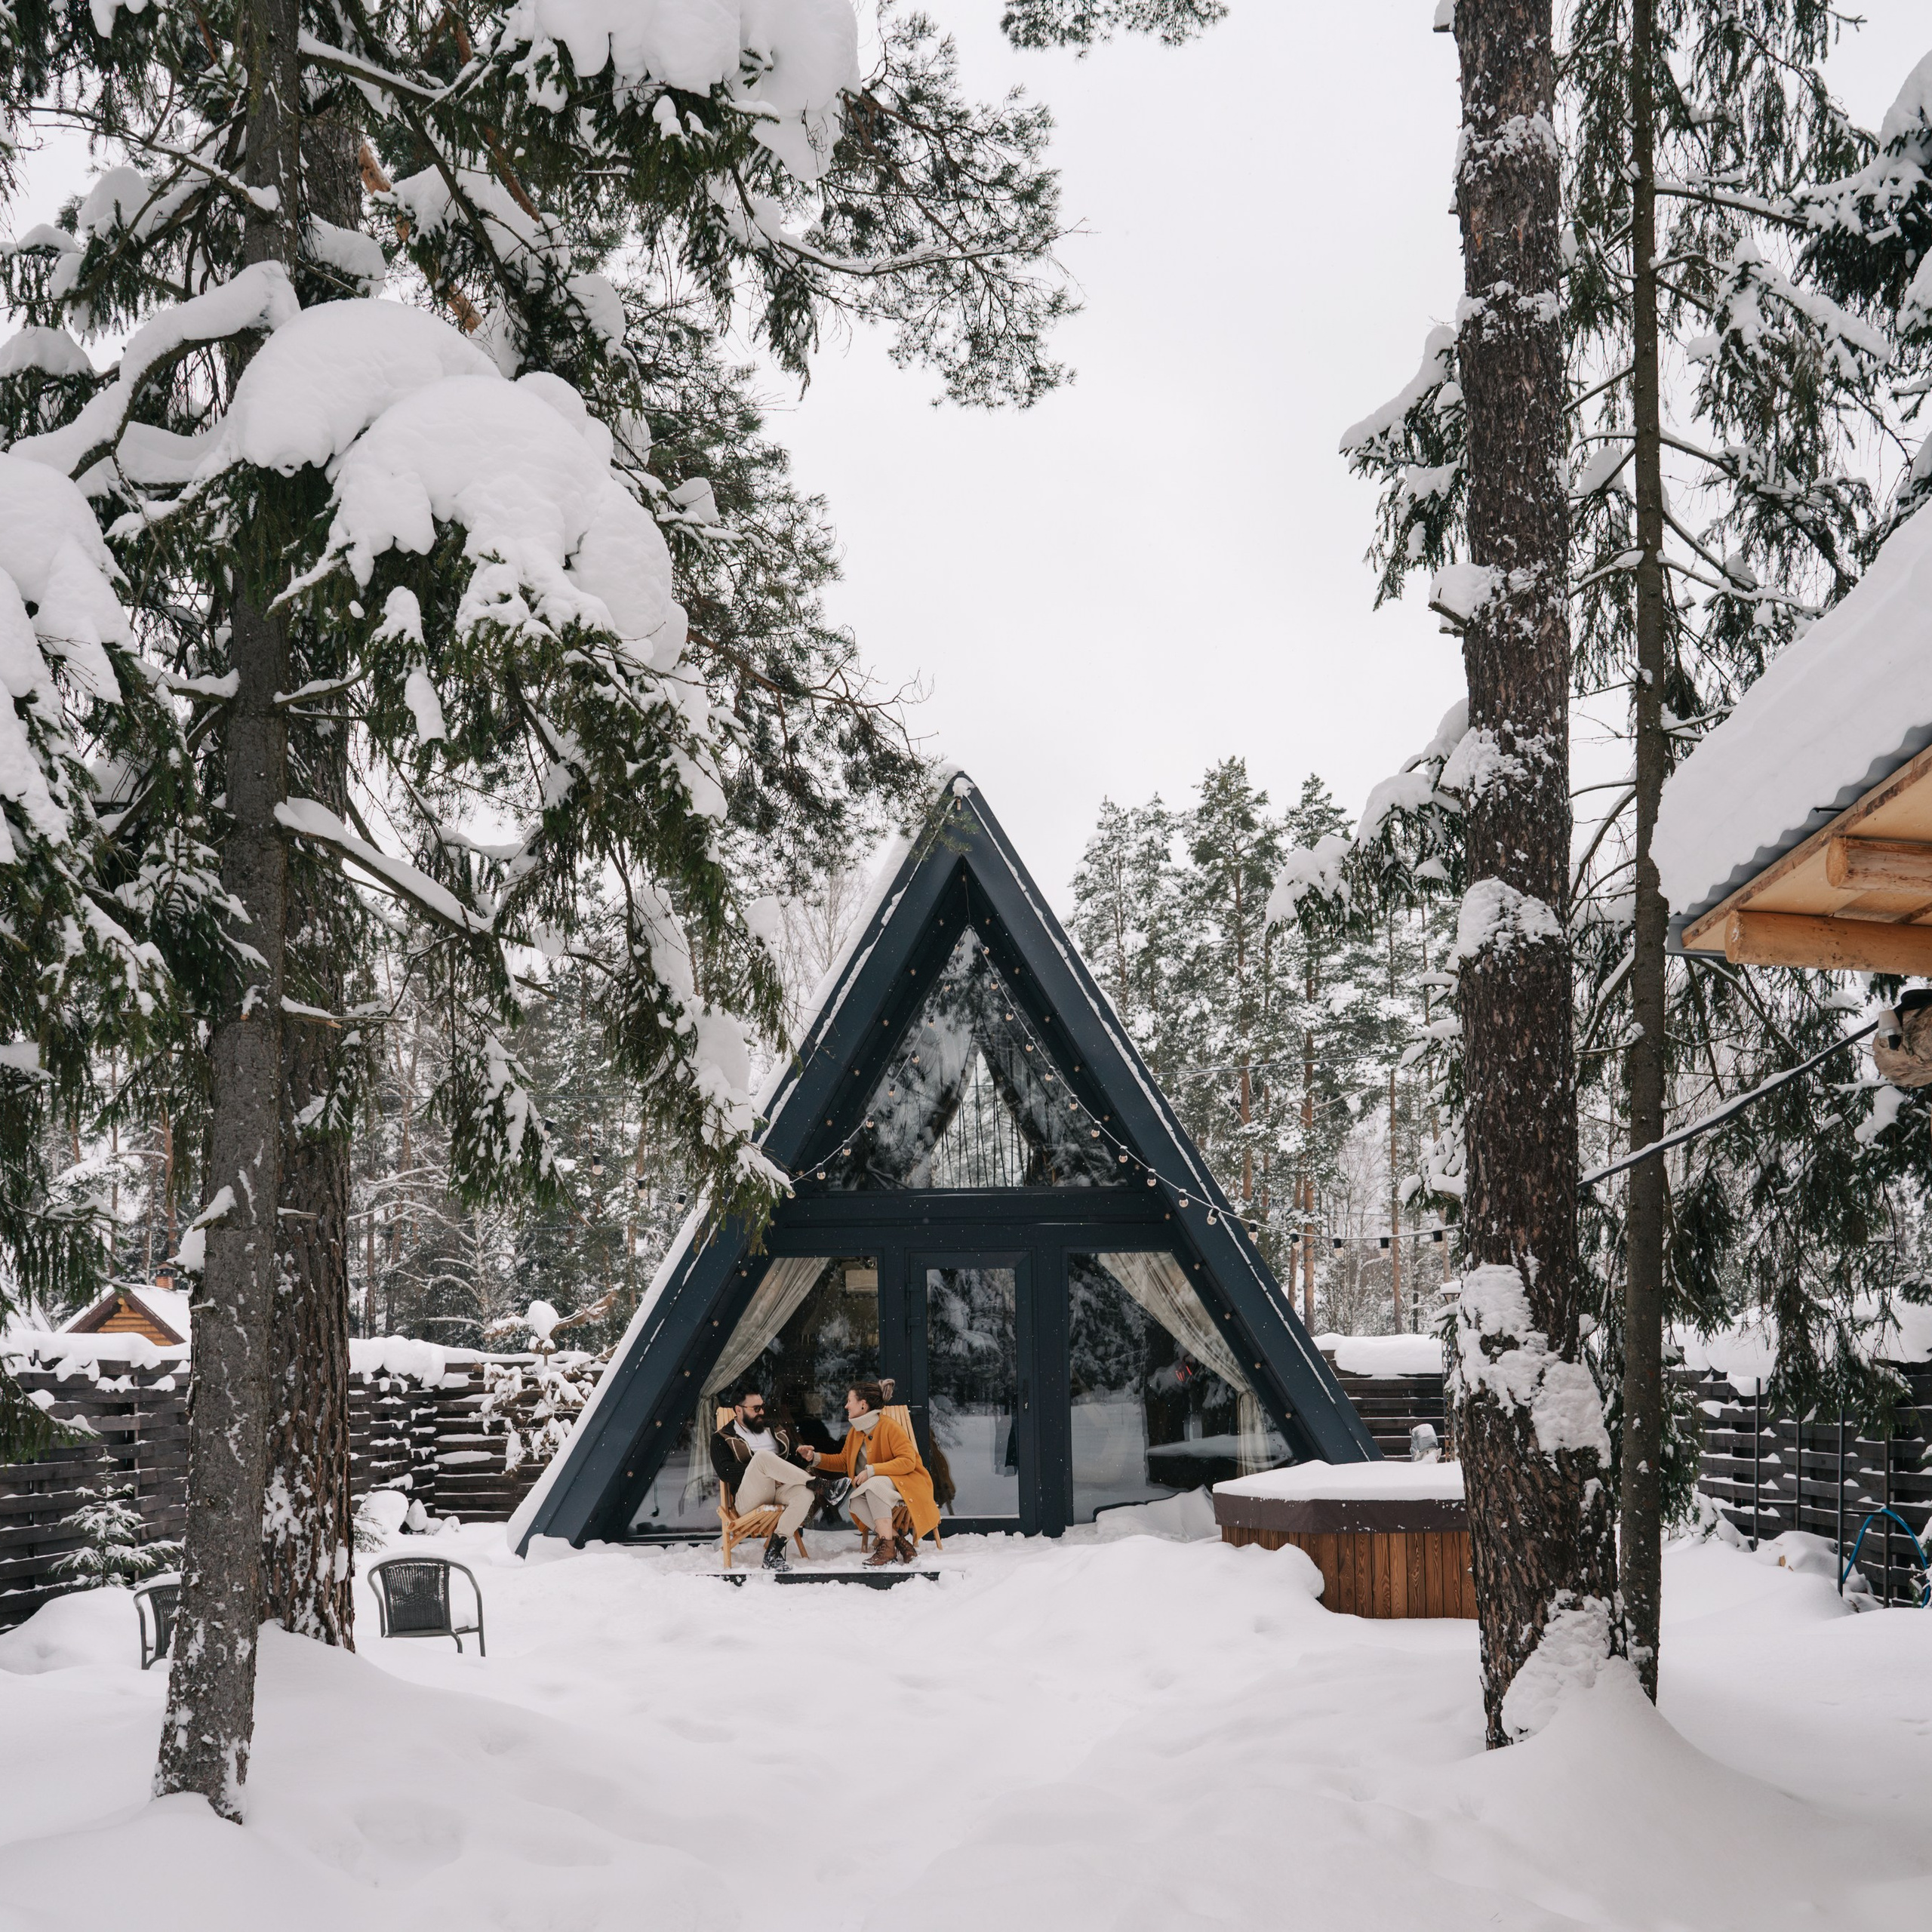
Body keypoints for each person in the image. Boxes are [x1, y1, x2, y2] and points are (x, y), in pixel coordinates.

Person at [800, 1381, 941, 1567]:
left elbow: (908, 1462)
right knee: (856, 1501)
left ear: (863, 1404)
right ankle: (898, 1542)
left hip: (906, 1484)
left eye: (849, 1401)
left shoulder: (890, 1427)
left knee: (873, 1486)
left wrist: (872, 1471)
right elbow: (844, 1462)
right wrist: (814, 1458)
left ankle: (887, 1550)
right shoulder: (855, 1432)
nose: (846, 1406)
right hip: (874, 1488)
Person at [709, 1387, 846, 1571]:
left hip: (780, 1491)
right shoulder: (722, 1437)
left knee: (805, 1494)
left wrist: (801, 1457)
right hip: (749, 1499)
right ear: (738, 1410)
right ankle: (823, 1486)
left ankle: (773, 1553)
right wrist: (762, 1471)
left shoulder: (773, 1429)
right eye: (756, 1408)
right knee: (762, 1458)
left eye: (762, 1407)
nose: (762, 1412)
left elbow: (788, 1464)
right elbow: (725, 1471)